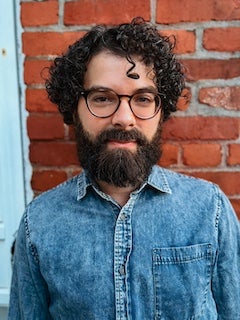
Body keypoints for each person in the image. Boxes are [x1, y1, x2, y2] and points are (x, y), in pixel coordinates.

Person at [8, 18, 240, 320]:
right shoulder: (38, 225)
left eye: (143, 99)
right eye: (102, 98)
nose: (124, 118)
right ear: (73, 108)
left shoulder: (210, 211)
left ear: (161, 109)